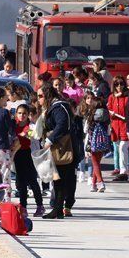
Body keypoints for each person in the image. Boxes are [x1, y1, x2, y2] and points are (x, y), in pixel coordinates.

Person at [39, 84, 79, 217]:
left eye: (40, 96)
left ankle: (59, 208)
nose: (39, 99)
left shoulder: (59, 107)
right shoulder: (56, 106)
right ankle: (58, 209)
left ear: (47, 96)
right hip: (61, 147)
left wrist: (50, 140)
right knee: (58, 179)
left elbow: (62, 125)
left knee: (61, 180)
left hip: (64, 148)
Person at [14, 104, 45, 217]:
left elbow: (33, 136)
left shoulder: (31, 126)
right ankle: (23, 207)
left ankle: (40, 206)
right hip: (17, 155)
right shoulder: (13, 125)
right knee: (21, 182)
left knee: (32, 180)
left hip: (29, 154)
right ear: (16, 114)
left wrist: (25, 134)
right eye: (19, 113)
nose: (22, 115)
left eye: (24, 113)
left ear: (28, 115)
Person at [84, 96, 111, 193]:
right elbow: (108, 131)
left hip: (92, 142)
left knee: (95, 164)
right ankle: (94, 185)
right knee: (97, 163)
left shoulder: (91, 116)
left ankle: (101, 182)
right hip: (103, 142)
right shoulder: (106, 116)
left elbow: (85, 130)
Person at [107, 77, 129, 181]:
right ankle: (121, 169)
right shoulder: (111, 97)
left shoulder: (128, 96)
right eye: (117, 84)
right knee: (117, 148)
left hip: (125, 125)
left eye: (121, 84)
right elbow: (109, 110)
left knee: (123, 147)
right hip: (115, 126)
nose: (119, 86)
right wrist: (110, 113)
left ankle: (123, 171)